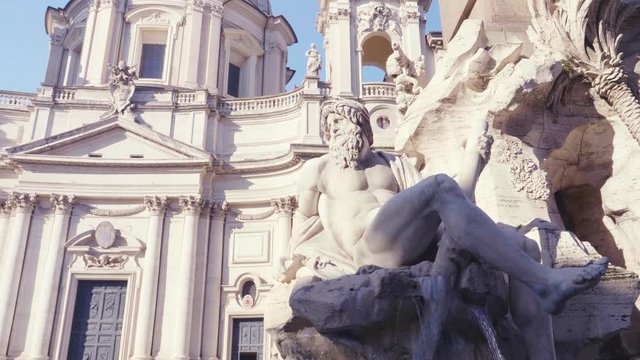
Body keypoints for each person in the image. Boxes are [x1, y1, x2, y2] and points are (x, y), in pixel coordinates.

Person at [287, 98, 608, 359]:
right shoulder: (318, 168)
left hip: (416, 243)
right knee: (439, 184)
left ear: (359, 123)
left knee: (523, 245)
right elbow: (301, 226)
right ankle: (546, 281)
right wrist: (294, 266)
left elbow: (456, 203)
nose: (331, 130)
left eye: (337, 122)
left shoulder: (393, 164)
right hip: (371, 246)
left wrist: (474, 159)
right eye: (328, 126)